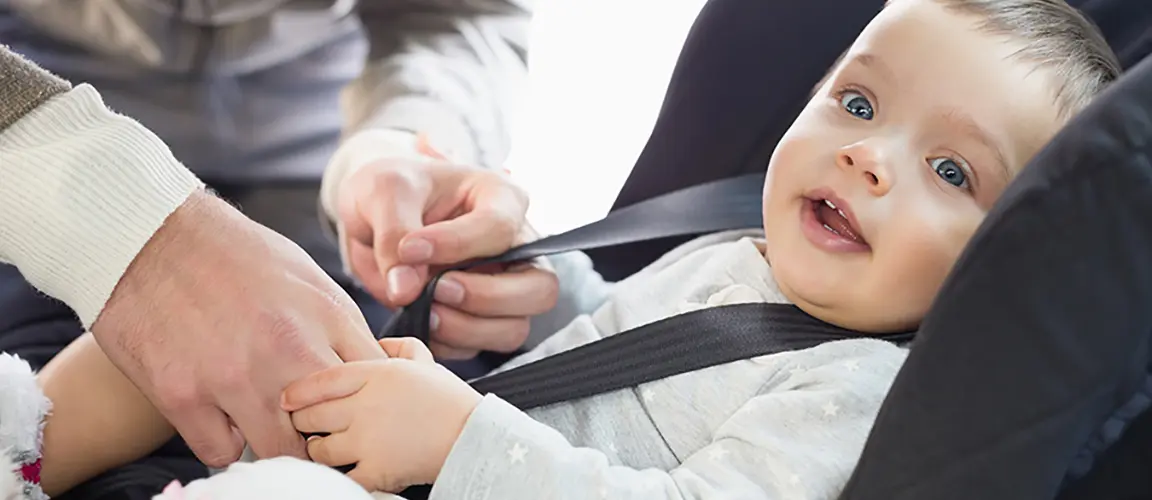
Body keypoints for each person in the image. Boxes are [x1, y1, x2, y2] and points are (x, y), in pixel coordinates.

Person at [0, 0, 1122, 498]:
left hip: (466, 458)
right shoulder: (739, 248)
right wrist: (545, 297)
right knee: (195, 333)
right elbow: (626, 337)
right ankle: (21, 453)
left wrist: (461, 439)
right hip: (446, 429)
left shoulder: (853, 385)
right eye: (860, 103)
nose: (871, 158)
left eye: (952, 171)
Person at [0, 32, 574, 487]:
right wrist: (127, 230)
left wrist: (392, 147)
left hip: (320, 145)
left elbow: (450, 14)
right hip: (45, 101)